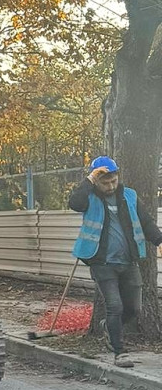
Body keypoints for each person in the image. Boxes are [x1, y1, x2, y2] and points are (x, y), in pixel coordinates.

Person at [69, 156, 162, 368]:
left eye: (113, 181)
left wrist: (159, 240)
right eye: (105, 182)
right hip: (102, 263)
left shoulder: (129, 196)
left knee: (134, 308)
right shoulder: (89, 197)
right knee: (114, 305)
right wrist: (90, 180)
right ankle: (120, 352)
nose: (110, 186)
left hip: (129, 262)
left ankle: (108, 327)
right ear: (96, 180)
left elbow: (146, 221)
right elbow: (75, 203)